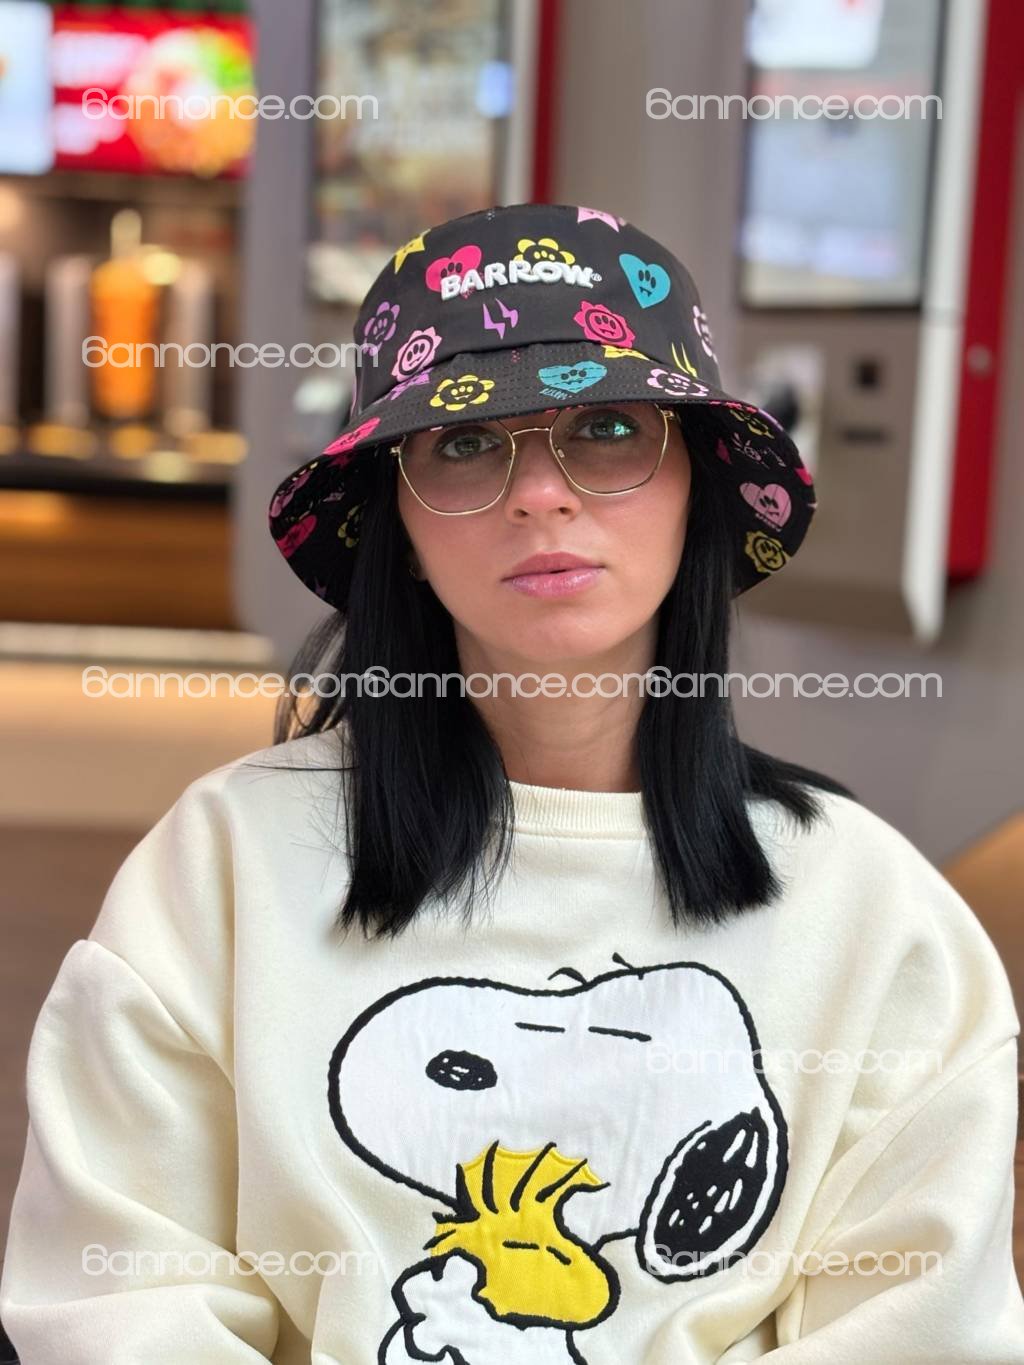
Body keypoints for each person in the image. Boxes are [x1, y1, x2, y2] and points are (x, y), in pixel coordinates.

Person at [2, 201, 1022, 1364]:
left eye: (607, 428)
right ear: (395, 514)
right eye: (464, 443)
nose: (541, 492)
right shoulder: (225, 865)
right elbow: (118, 1299)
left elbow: (922, 1331)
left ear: (696, 483)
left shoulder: (872, 910)